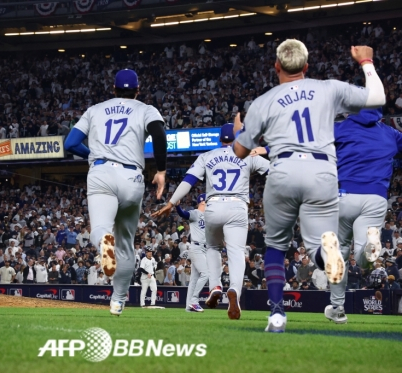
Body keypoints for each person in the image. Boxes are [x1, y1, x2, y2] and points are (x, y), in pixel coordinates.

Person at [232, 40, 385, 332]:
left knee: (276, 246)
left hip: (283, 169)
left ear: (276, 66)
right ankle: (327, 256)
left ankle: (277, 314)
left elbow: (240, 152)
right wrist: (366, 62)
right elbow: (377, 97)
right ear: (306, 67)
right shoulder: (328, 88)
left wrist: (240, 130)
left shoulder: (264, 101)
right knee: (318, 244)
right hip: (322, 170)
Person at [64, 68, 167, 316]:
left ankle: (103, 243)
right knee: (126, 245)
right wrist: (161, 171)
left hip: (101, 174)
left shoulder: (95, 110)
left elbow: (69, 144)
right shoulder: (145, 109)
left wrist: (96, 155)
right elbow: (159, 134)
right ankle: (118, 301)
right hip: (132, 177)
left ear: (114, 89)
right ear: (137, 90)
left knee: (101, 229)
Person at [154, 124, 269, 320]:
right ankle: (234, 290)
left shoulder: (207, 156)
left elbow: (188, 181)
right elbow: (273, 172)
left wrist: (171, 202)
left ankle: (215, 286)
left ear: (219, 139)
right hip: (237, 206)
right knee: (235, 252)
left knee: (213, 248)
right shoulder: (248, 155)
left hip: (213, 205)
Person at [323, 109, 402, 323]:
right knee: (363, 255)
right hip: (376, 198)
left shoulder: (339, 128)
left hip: (344, 196)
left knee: (336, 254)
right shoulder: (390, 133)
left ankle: (338, 308)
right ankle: (369, 250)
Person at [175, 194, 208, 313]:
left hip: (203, 248)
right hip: (196, 247)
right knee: (205, 274)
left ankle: (188, 307)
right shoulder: (195, 213)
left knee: (194, 279)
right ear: (203, 202)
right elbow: (184, 214)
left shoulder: (208, 216)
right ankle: (194, 301)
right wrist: (178, 206)